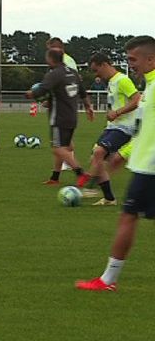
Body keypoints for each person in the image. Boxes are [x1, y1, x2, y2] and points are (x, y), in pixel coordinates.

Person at [75, 35, 155, 292]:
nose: (130, 64)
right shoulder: (149, 86)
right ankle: (108, 279)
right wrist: (128, 152)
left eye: (133, 59)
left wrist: (128, 152)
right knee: (128, 216)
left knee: (128, 216)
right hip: (144, 165)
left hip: (150, 168)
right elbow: (145, 129)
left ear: (150, 59)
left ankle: (108, 280)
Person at [77, 53, 140, 205]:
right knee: (95, 158)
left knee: (99, 153)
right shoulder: (111, 82)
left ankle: (91, 187)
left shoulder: (122, 80)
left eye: (96, 70)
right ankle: (109, 198)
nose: (95, 74)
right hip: (113, 127)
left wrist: (117, 112)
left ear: (104, 64)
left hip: (124, 128)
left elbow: (137, 99)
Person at [25, 48, 94, 184]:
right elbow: (83, 92)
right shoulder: (73, 73)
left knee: (58, 148)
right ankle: (55, 178)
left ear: (50, 58)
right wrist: (88, 107)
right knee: (63, 147)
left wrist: (30, 94)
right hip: (72, 116)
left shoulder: (54, 74)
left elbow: (42, 89)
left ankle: (80, 173)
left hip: (59, 117)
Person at [47, 37, 78, 169]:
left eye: (50, 49)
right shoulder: (63, 61)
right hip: (63, 105)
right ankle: (64, 166)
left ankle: (71, 164)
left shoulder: (66, 62)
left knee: (59, 143)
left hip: (63, 106)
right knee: (63, 140)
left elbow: (69, 82)